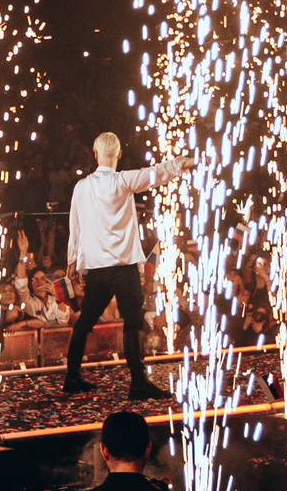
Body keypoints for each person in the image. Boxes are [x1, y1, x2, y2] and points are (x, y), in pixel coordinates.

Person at [63, 132, 191, 399]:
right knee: (132, 320)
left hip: (97, 268)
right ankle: (138, 381)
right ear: (119, 155)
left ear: (95, 155)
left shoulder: (82, 187)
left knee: (86, 320)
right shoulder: (122, 181)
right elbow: (154, 173)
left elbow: (74, 227)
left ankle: (72, 376)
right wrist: (181, 163)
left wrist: (72, 261)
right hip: (122, 266)